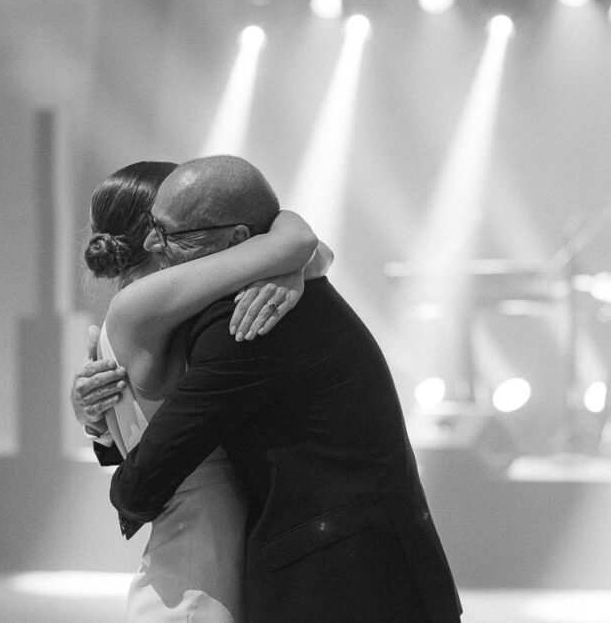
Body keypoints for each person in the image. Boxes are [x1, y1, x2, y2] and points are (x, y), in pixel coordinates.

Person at [87, 154, 462, 622]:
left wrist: (292, 260)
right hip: (245, 571)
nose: (154, 243)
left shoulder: (245, 321)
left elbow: (139, 483)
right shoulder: (247, 300)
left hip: (342, 586)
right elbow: (299, 239)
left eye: (167, 232)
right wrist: (292, 258)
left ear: (240, 241)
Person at [73, 159, 332, 622]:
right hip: (197, 573)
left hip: (199, 558)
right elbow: (296, 241)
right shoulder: (147, 304)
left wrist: (97, 426)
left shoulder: (141, 310)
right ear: (156, 231)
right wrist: (290, 269)